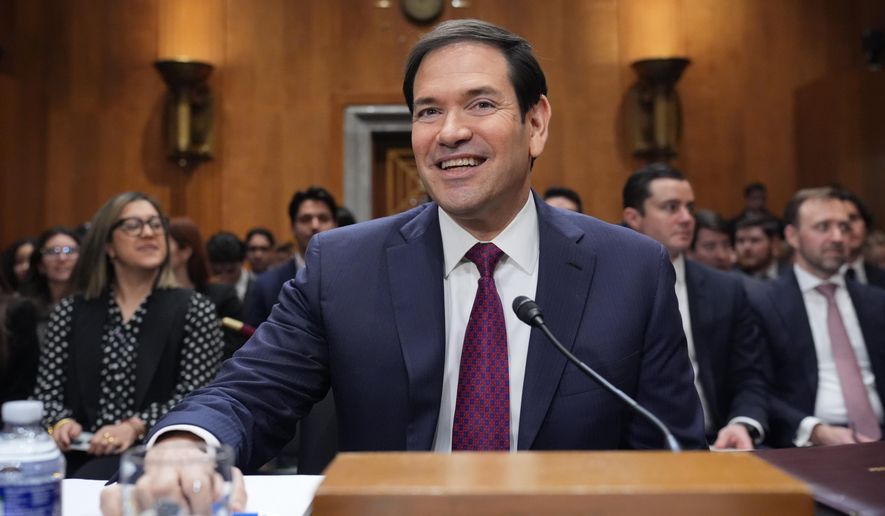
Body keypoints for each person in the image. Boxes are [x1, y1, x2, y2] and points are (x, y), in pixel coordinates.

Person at [102, 20, 704, 512]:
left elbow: (675, 460)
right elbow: (249, 391)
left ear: (536, 122)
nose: (450, 132)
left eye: (481, 104)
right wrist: (186, 442)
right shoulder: (345, 265)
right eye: (426, 112)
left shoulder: (629, 269)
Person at [33, 192, 224, 479]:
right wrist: (59, 422)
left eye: (156, 224)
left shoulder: (194, 308)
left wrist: (134, 426)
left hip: (157, 457)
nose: (148, 233)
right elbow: (46, 393)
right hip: (75, 456)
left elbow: (197, 394)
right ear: (108, 245)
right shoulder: (70, 311)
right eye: (133, 225)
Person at [622, 163, 768, 449]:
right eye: (671, 207)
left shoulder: (725, 289)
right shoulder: (603, 282)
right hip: (635, 451)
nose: (687, 219)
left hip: (719, 441)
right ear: (633, 217)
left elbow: (749, 376)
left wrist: (742, 423)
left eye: (690, 207)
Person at [746, 187, 885, 447]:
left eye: (844, 227)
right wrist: (815, 431)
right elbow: (754, 387)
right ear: (793, 236)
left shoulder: (876, 301)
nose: (837, 237)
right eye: (823, 227)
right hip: (809, 444)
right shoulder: (763, 302)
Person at [244, 186, 338, 327]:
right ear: (293, 227)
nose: (315, 225)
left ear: (336, 224)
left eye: (323, 218)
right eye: (305, 219)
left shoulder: (354, 277)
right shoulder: (266, 285)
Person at [168, 217, 246, 359]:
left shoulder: (222, 297)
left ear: (185, 251)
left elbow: (235, 350)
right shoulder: (152, 297)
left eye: (164, 243)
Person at [19, 226, 81, 343]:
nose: (62, 258)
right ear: (40, 265)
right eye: (53, 251)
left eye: (70, 251)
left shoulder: (95, 306)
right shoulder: (25, 311)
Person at [836, 189, 885, 289]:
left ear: (865, 225)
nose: (848, 227)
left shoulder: (882, 278)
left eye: (853, 218)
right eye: (840, 221)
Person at [206, 231, 253, 305]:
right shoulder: (204, 290)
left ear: (243, 261)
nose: (224, 277)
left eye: (230, 271)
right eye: (217, 272)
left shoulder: (258, 288)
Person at [733, 215, 786, 280]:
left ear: (774, 243)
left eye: (754, 240)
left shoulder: (792, 276)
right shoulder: (730, 280)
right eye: (741, 241)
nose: (746, 247)